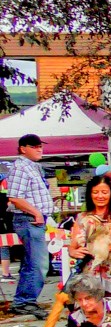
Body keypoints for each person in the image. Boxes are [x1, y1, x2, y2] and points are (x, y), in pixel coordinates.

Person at [7, 133, 54, 317]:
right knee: (38, 263)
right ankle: (26, 300)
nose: (39, 149)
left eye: (40, 146)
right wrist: (35, 212)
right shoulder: (20, 168)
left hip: (36, 219)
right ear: (22, 149)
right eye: (34, 146)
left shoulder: (34, 167)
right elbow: (15, 197)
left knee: (31, 262)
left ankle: (23, 300)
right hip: (29, 219)